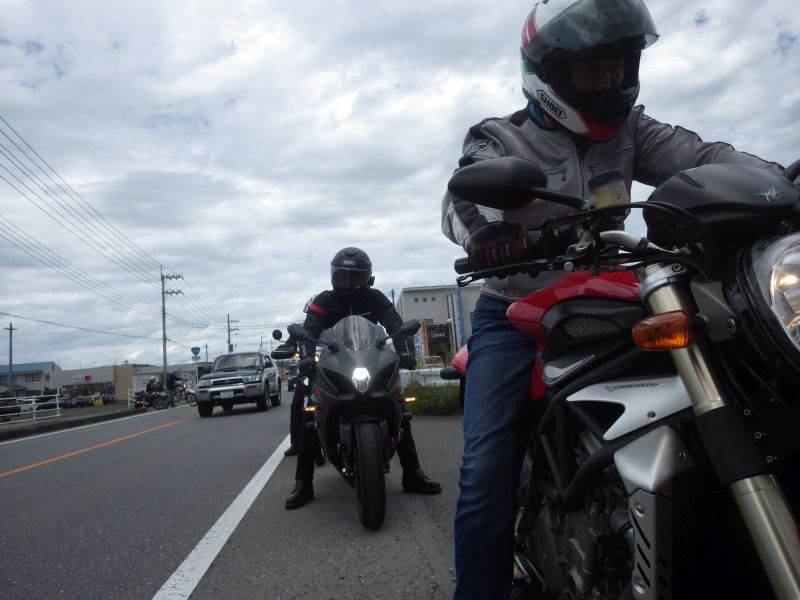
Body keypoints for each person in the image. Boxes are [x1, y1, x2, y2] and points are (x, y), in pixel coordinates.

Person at [441, 1, 799, 598]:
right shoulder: (500, 136)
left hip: (611, 291)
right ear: (548, 76)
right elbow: (464, 200)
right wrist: (486, 237)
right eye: (591, 72)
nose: (609, 83)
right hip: (514, 309)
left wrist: (781, 186)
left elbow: (707, 158)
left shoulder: (635, 129)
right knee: (485, 473)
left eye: (618, 67)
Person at [285, 247, 442, 509]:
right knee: (309, 412)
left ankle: (413, 473)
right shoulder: (324, 300)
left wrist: (404, 352)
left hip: (369, 361)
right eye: (343, 276)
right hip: (333, 364)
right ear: (334, 276)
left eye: (355, 276)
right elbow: (310, 328)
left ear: (367, 277)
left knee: (399, 406)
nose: (348, 282)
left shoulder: (375, 298)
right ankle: (303, 483)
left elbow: (394, 324)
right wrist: (307, 357)